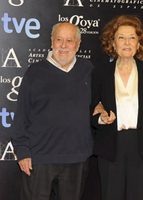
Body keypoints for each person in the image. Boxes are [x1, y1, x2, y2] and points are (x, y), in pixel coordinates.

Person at [11, 22, 94, 200]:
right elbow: (21, 115)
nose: (63, 46)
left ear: (78, 44)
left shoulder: (88, 71)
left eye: (69, 40)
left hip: (76, 159)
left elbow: (98, 106)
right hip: (39, 158)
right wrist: (22, 151)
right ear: (51, 42)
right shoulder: (35, 72)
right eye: (59, 40)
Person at [91, 15, 143, 200]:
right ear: (113, 43)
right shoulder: (100, 72)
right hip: (110, 147)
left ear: (139, 43)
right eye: (121, 37)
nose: (127, 42)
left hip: (140, 147)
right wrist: (101, 118)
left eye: (132, 37)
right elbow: (91, 108)